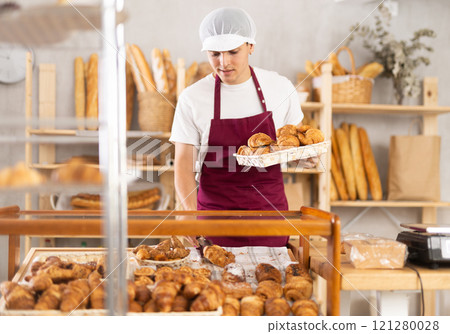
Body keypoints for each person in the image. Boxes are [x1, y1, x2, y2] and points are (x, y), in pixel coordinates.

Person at [170, 7, 303, 247]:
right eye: (214, 54)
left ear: (251, 46)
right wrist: (190, 212)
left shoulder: (280, 88)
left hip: (269, 216)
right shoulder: (193, 97)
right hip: (214, 219)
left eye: (233, 52)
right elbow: (183, 162)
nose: (224, 63)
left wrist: (305, 157)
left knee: (271, 283)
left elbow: (296, 143)